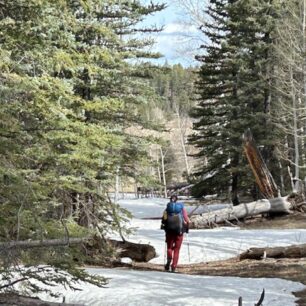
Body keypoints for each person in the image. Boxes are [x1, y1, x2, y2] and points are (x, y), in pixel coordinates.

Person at [161, 194, 190, 272]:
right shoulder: (181, 208)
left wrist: (164, 225)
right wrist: (187, 226)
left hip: (169, 231)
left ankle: (169, 259)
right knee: (177, 249)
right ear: (177, 200)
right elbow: (186, 219)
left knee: (169, 248)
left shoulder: (167, 208)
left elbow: (163, 220)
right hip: (179, 231)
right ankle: (174, 266)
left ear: (170, 200)